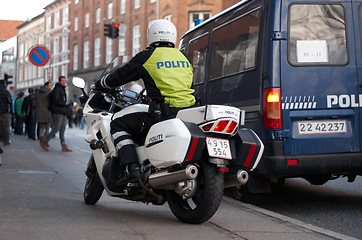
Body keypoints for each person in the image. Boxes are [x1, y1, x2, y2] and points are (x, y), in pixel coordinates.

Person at [95, 19, 195, 184]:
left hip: (162, 113)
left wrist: (101, 83)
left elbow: (121, 75)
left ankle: (132, 168)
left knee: (118, 124)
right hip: (187, 112)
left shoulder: (148, 56)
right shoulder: (183, 58)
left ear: (151, 35)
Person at [40, 76, 72, 152]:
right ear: (59, 81)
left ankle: (63, 145)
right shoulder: (57, 89)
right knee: (56, 128)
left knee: (62, 128)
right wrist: (65, 103)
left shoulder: (62, 89)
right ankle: (44, 141)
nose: (64, 82)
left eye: (65, 81)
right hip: (58, 111)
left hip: (62, 111)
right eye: (62, 81)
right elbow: (56, 100)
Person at [0, 80, 12, 146]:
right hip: (4, 112)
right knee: (5, 127)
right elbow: (9, 101)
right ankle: (6, 141)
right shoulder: (6, 92)